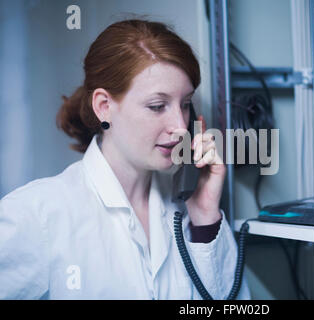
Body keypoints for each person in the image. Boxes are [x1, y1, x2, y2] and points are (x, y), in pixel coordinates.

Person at [0, 19, 251, 300]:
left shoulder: (185, 212)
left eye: (185, 104)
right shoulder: (38, 215)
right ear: (104, 107)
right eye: (157, 106)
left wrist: (205, 215)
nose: (181, 125)